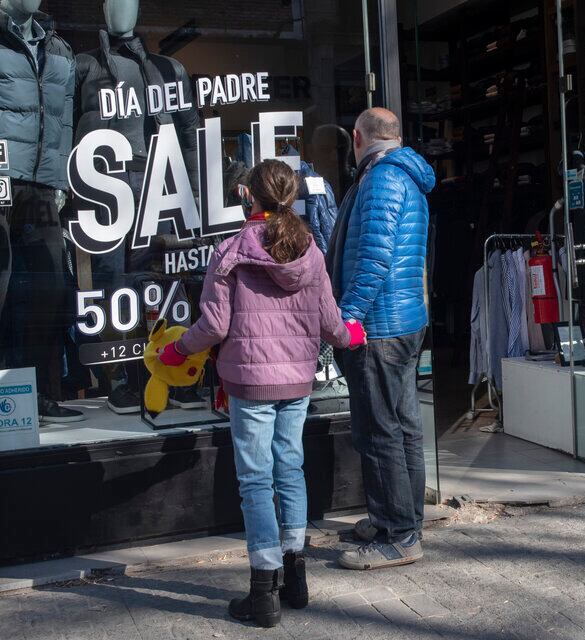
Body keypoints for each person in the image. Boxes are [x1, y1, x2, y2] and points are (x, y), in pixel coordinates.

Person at [155, 159, 366, 627]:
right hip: (297, 380)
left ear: (247, 196)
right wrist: (353, 334)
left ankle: (263, 592)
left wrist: (176, 350)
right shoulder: (311, 251)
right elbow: (332, 325)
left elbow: (214, 326)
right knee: (290, 469)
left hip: (250, 382)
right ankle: (295, 577)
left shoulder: (230, 252)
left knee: (255, 481)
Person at [327, 108, 435, 570]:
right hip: (403, 320)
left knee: (380, 432)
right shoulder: (404, 176)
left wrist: (345, 319)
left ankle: (398, 535)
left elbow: (373, 259)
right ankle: (403, 520)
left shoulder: (381, 179)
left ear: (357, 137)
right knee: (403, 426)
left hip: (379, 328)